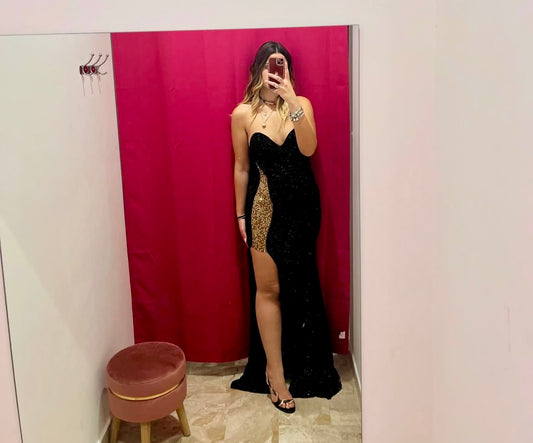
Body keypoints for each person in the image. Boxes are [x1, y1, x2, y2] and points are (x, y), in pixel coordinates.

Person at [230, 41, 341, 413]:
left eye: (282, 66)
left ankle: (307, 367)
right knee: (269, 290)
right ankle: (274, 377)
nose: (274, 72)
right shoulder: (242, 114)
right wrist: (240, 215)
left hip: (304, 209)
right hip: (263, 210)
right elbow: (241, 167)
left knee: (303, 287)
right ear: (258, 68)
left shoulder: (301, 104)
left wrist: (291, 98)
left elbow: (308, 148)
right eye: (269, 65)